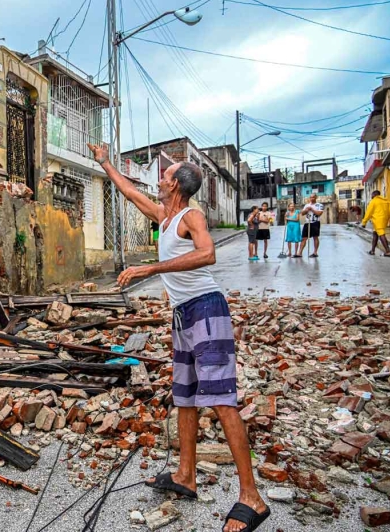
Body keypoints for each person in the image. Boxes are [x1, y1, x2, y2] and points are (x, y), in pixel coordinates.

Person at [87, 142, 270, 532]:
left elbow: (207, 255)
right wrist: (104, 161)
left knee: (221, 400)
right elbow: (129, 191)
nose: (158, 179)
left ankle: (251, 497)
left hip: (207, 309)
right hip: (183, 314)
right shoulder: (164, 215)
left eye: (165, 176)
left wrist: (150, 269)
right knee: (185, 397)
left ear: (176, 186)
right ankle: (186, 475)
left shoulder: (192, 215)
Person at [362, 190, 390, 257]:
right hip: (384, 221)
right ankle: (372, 251)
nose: (371, 196)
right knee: (375, 234)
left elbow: (368, 213)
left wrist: (364, 222)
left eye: (372, 195)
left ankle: (388, 251)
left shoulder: (373, 201)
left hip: (377, 221)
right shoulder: (386, 201)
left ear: (374, 194)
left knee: (381, 234)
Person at [297, 194, 324, 258]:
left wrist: (311, 209)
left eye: (313, 197)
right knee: (304, 238)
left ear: (316, 198)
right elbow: (302, 213)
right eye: (310, 197)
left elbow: (319, 213)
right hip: (307, 222)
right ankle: (299, 253)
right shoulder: (307, 205)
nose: (311, 198)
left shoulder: (320, 205)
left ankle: (315, 252)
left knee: (315, 237)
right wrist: (306, 210)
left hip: (315, 222)